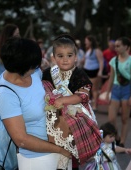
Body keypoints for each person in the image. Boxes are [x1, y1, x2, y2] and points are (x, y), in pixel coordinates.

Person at [0, 37, 71, 170]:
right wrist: (60, 150)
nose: (37, 68)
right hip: (36, 159)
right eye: (33, 65)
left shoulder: (34, 74)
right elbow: (21, 139)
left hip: (61, 149)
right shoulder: (5, 94)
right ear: (22, 67)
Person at [42, 34, 101, 169]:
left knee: (71, 149)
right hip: (52, 114)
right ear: (54, 57)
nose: (65, 60)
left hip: (75, 113)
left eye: (69, 55)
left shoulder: (80, 74)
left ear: (76, 57)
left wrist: (64, 100)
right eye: (60, 56)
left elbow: (82, 95)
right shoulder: (48, 73)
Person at [106, 37, 131, 147]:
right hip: (115, 89)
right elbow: (111, 78)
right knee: (111, 119)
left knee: (125, 118)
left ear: (126, 47)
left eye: (118, 46)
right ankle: (117, 137)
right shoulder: (113, 60)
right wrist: (107, 93)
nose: (116, 48)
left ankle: (123, 141)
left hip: (127, 89)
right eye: (115, 46)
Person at [0, 24, 20, 98]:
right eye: (17, 34)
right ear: (9, 35)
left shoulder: (18, 49)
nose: (19, 36)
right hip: (0, 84)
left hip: (15, 84)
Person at [83, 35, 104, 110]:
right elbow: (84, 60)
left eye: (86, 41)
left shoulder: (97, 51)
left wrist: (100, 71)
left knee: (94, 89)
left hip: (94, 71)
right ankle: (87, 104)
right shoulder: (88, 50)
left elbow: (101, 61)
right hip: (86, 70)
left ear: (90, 42)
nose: (85, 42)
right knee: (87, 88)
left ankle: (95, 105)